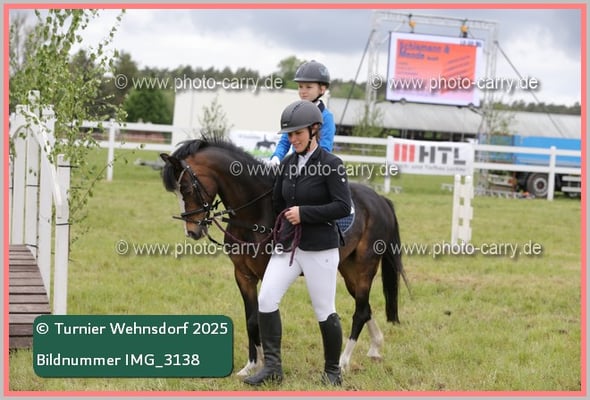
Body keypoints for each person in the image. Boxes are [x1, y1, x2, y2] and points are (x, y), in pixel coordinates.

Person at [244, 100, 351, 387]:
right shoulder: (288, 164)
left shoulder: (332, 164)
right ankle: (273, 368)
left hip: (320, 247)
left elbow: (343, 206)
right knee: (266, 299)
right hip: (289, 245)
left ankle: (332, 371)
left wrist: (305, 214)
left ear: (314, 129)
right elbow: (278, 202)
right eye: (289, 135)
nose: (293, 139)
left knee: (324, 309)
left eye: (298, 133)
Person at [270, 60, 335, 164]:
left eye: (308, 87)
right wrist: (276, 157)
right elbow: (285, 141)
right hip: (295, 164)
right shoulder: (294, 113)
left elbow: (325, 147)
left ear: (322, 89)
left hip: (316, 167)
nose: (303, 91)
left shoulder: (326, 117)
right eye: (300, 86)